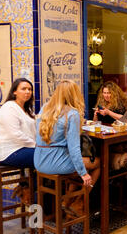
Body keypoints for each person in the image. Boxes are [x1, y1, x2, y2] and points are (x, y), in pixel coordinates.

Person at [34, 80, 100, 215]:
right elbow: (74, 149)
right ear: (74, 95)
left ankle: (67, 201)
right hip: (57, 164)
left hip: (39, 162)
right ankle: (79, 202)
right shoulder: (72, 114)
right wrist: (83, 174)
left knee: (79, 164)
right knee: (98, 163)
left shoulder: (45, 108)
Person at [0, 78, 36, 205]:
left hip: (22, 148)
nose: (27, 92)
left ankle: (26, 188)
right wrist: (36, 145)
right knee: (45, 157)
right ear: (15, 92)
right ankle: (28, 192)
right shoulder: (9, 107)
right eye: (24, 89)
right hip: (9, 151)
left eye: (30, 89)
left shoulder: (26, 109)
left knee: (46, 159)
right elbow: (15, 134)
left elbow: (32, 131)